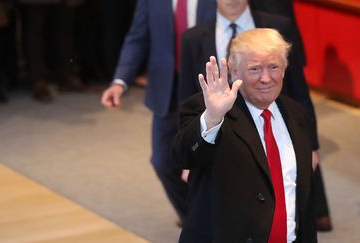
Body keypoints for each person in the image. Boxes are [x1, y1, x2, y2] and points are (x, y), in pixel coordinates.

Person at [178, 0, 331, 231]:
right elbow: (185, 153)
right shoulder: (213, 116)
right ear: (234, 71)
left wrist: (313, 147)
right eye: (255, 69)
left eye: (274, 67)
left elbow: (297, 202)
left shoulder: (296, 116)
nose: (266, 78)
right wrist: (211, 118)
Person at [101, 0, 217, 223]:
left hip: (210, 90)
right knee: (163, 161)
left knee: (209, 165)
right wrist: (120, 81)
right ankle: (195, 219)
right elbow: (137, 37)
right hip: (167, 88)